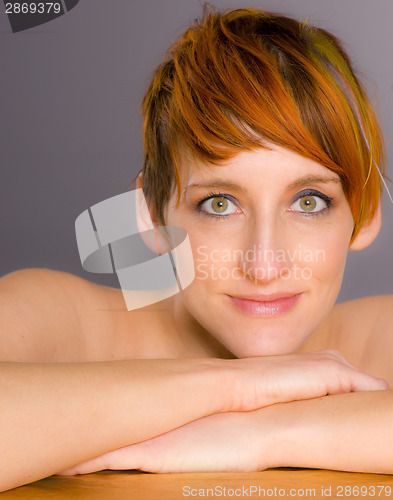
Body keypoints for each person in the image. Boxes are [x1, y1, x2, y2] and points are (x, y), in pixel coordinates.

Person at [0, 4, 392, 492]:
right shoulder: (62, 318)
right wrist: (243, 388)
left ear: (365, 212)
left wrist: (262, 433)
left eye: (308, 202)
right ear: (149, 216)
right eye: (221, 204)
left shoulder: (382, 335)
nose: (264, 264)